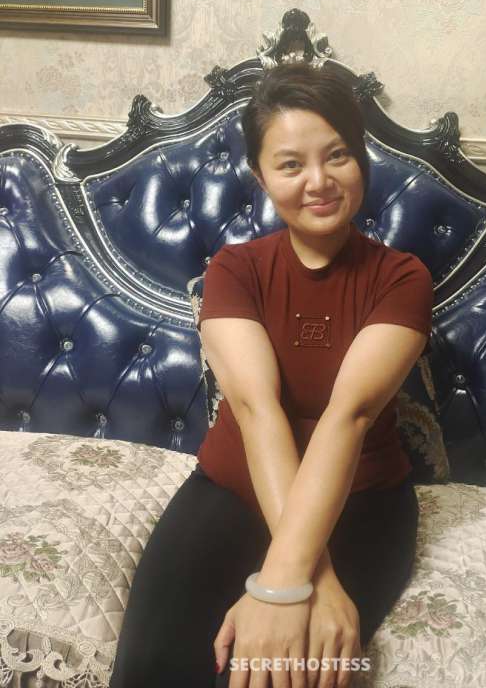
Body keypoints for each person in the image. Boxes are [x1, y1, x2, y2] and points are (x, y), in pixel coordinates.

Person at [109, 61, 434, 688]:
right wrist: (305, 583)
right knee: (149, 669)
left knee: (288, 674)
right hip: (231, 490)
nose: (319, 182)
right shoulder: (234, 271)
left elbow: (350, 416)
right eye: (290, 165)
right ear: (260, 177)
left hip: (363, 504)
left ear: (361, 160)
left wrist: (283, 584)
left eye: (337, 156)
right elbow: (257, 411)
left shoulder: (403, 277)